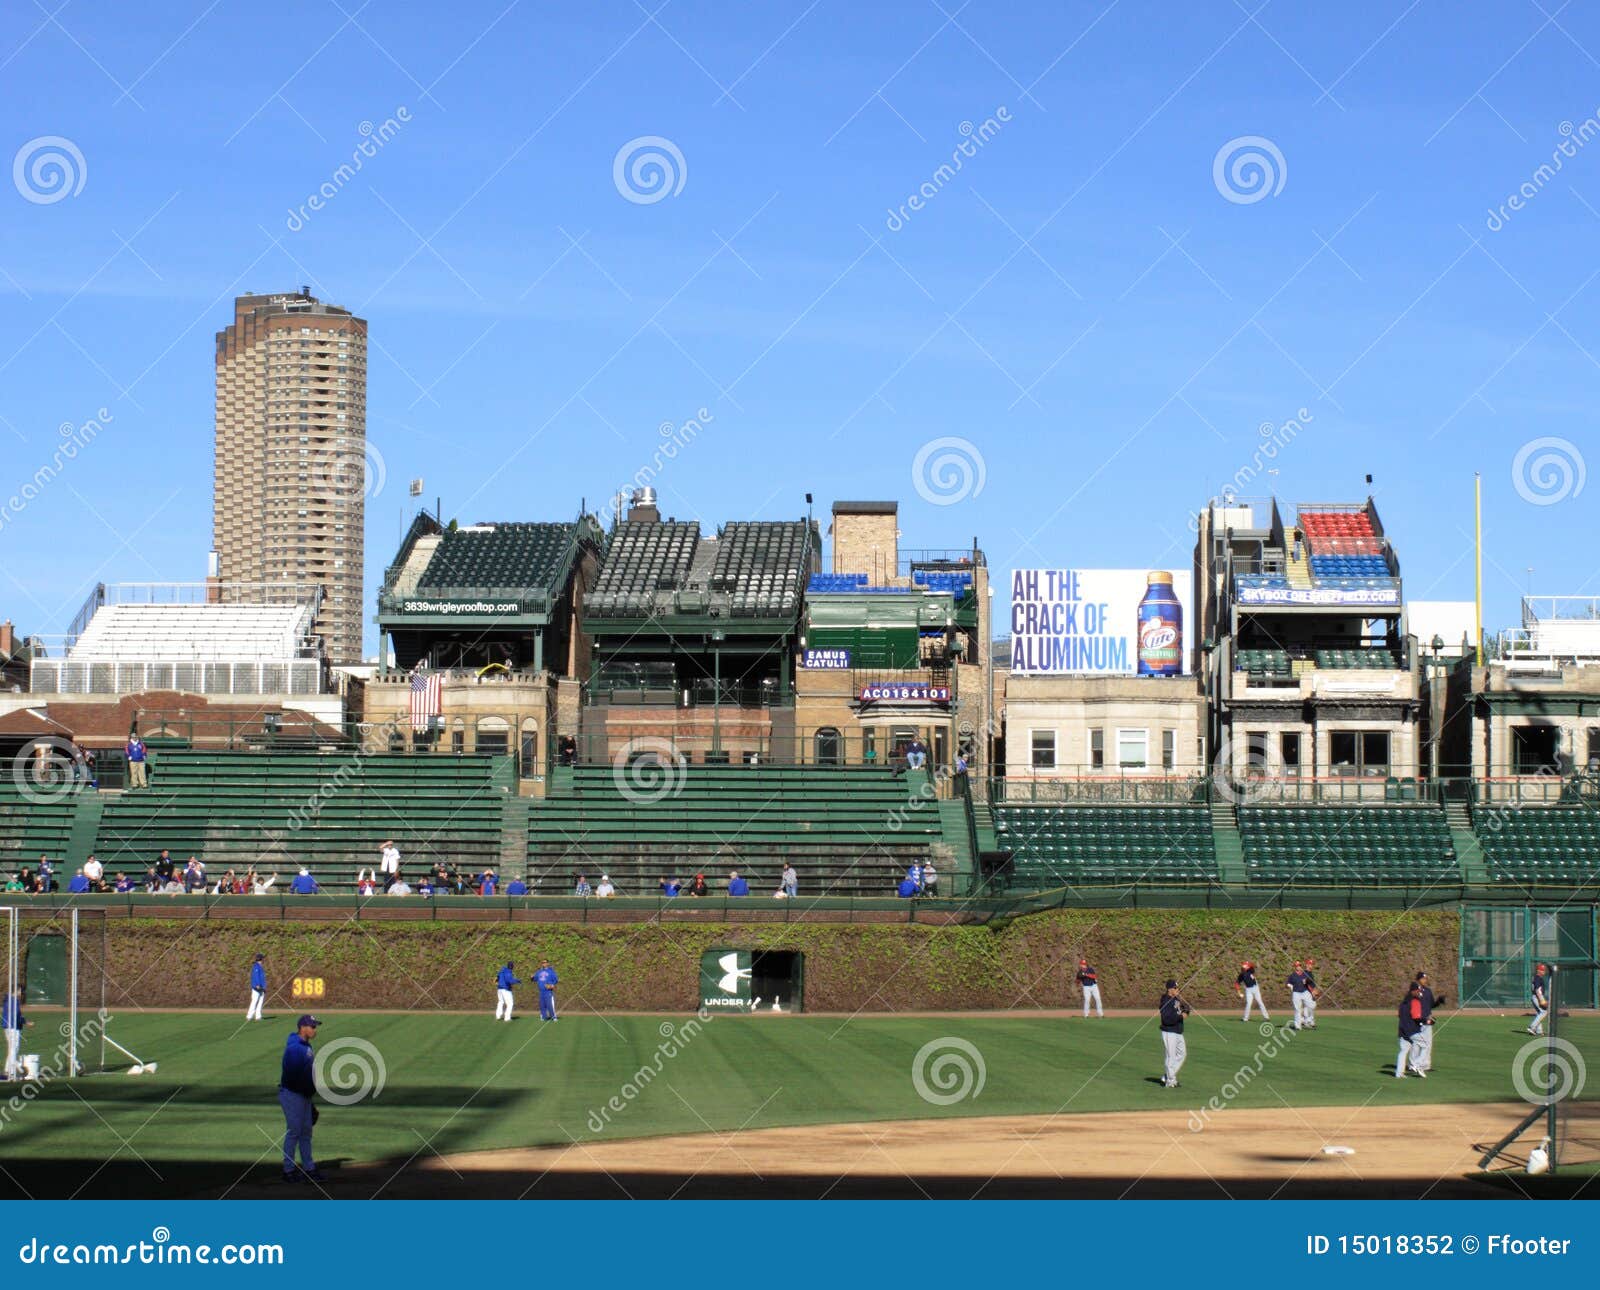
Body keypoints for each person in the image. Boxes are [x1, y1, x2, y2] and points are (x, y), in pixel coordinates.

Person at [279, 1015, 325, 1183]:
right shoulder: (294, 1048)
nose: (315, 1030)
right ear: (303, 1027)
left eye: (315, 1026)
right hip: (292, 1094)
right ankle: (288, 1171)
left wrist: (309, 1101)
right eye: (312, 1027)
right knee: (294, 1132)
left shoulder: (306, 1045)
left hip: (303, 1095)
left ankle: (309, 1168)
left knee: (306, 1132)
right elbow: (292, 1076)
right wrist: (305, 1094)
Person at [1159, 979, 1190, 1088]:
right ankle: (1170, 1081)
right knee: (1170, 1056)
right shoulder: (1165, 1001)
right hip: (1169, 1032)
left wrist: (1186, 1009)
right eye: (1176, 988)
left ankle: (1167, 1076)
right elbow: (1166, 1019)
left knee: (1182, 1054)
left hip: (1178, 1031)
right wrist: (1181, 1016)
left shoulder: (1176, 999)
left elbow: (1184, 1008)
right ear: (1170, 989)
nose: (1178, 990)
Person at [1395, 982, 1426, 1078]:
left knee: (1403, 1051)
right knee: (1425, 1046)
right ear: (1414, 990)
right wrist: (1426, 1021)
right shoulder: (1415, 1001)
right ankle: (1416, 1064)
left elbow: (1399, 1015)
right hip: (1412, 1030)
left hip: (1402, 1030)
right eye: (1418, 990)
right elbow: (1416, 1017)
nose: (1419, 992)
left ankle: (1399, 1073)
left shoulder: (1404, 1001)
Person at [3, 987, 32, 1080]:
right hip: (13, 1027)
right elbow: (16, 1016)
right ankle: (16, 1068)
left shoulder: (8, 999)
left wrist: (24, 1021)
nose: (22, 993)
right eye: (21, 991)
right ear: (17, 990)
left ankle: (7, 1070)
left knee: (12, 1049)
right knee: (14, 1049)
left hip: (8, 1027)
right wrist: (26, 1022)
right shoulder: (14, 1001)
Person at [1411, 971, 1437, 1075]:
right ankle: (1412, 1064)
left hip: (1427, 1019)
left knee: (1428, 1043)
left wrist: (1430, 1014)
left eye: (1426, 979)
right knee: (1416, 1044)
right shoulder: (1414, 991)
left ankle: (1425, 1065)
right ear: (1418, 979)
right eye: (1423, 978)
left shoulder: (1428, 991)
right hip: (1416, 1020)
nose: (1425, 980)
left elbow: (1431, 1004)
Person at [1286, 960, 1312, 1031]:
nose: (1299, 967)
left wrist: (1307, 981)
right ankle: (1298, 1026)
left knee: (1310, 1005)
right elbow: (1287, 983)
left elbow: (1309, 982)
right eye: (1297, 966)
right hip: (1296, 993)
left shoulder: (1304, 974)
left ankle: (1308, 1021)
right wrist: (1290, 986)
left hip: (1304, 992)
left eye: (1299, 965)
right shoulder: (1292, 975)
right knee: (1297, 1010)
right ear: (1295, 967)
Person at [1528, 963, 1550, 1036]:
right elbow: (1537, 990)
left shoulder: (1536, 977)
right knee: (1544, 1012)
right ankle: (1532, 1027)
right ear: (1538, 970)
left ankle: (1539, 1031)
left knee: (1539, 1013)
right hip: (1537, 997)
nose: (1543, 971)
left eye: (1544, 970)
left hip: (1535, 997)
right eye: (1542, 970)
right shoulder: (1538, 978)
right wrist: (1541, 1000)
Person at [1302, 956, 1321, 1029]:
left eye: (1312, 964)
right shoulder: (1305, 973)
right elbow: (1305, 983)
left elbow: (1311, 983)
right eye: (1310, 964)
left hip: (1310, 991)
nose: (1311, 965)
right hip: (1307, 992)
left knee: (1309, 1007)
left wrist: (1315, 989)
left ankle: (1308, 1021)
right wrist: (1312, 991)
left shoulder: (1310, 973)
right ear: (1306, 964)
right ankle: (1307, 1021)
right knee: (1311, 1006)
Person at [248, 953, 267, 1021]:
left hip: (261, 987)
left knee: (260, 1002)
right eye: (262, 958)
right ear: (261, 959)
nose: (263, 960)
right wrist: (257, 985)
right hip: (257, 987)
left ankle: (258, 1016)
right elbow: (256, 977)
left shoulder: (259, 966)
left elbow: (262, 977)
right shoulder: (256, 966)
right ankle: (249, 1016)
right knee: (254, 1001)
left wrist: (264, 987)